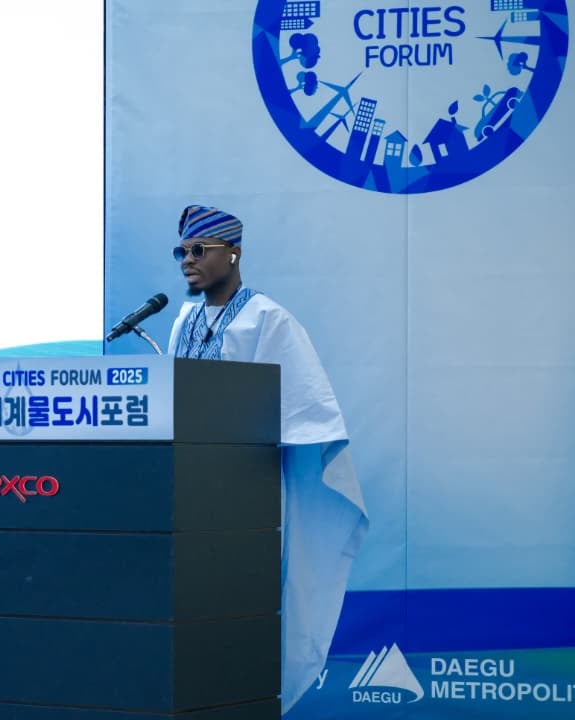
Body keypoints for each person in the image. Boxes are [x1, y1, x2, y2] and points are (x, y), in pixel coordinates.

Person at [166, 204, 369, 714]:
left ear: (232, 253)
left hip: (246, 494)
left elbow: (304, 408)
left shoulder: (267, 318)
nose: (188, 261)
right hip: (187, 494)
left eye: (198, 250)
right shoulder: (184, 319)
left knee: (242, 603)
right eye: (181, 252)